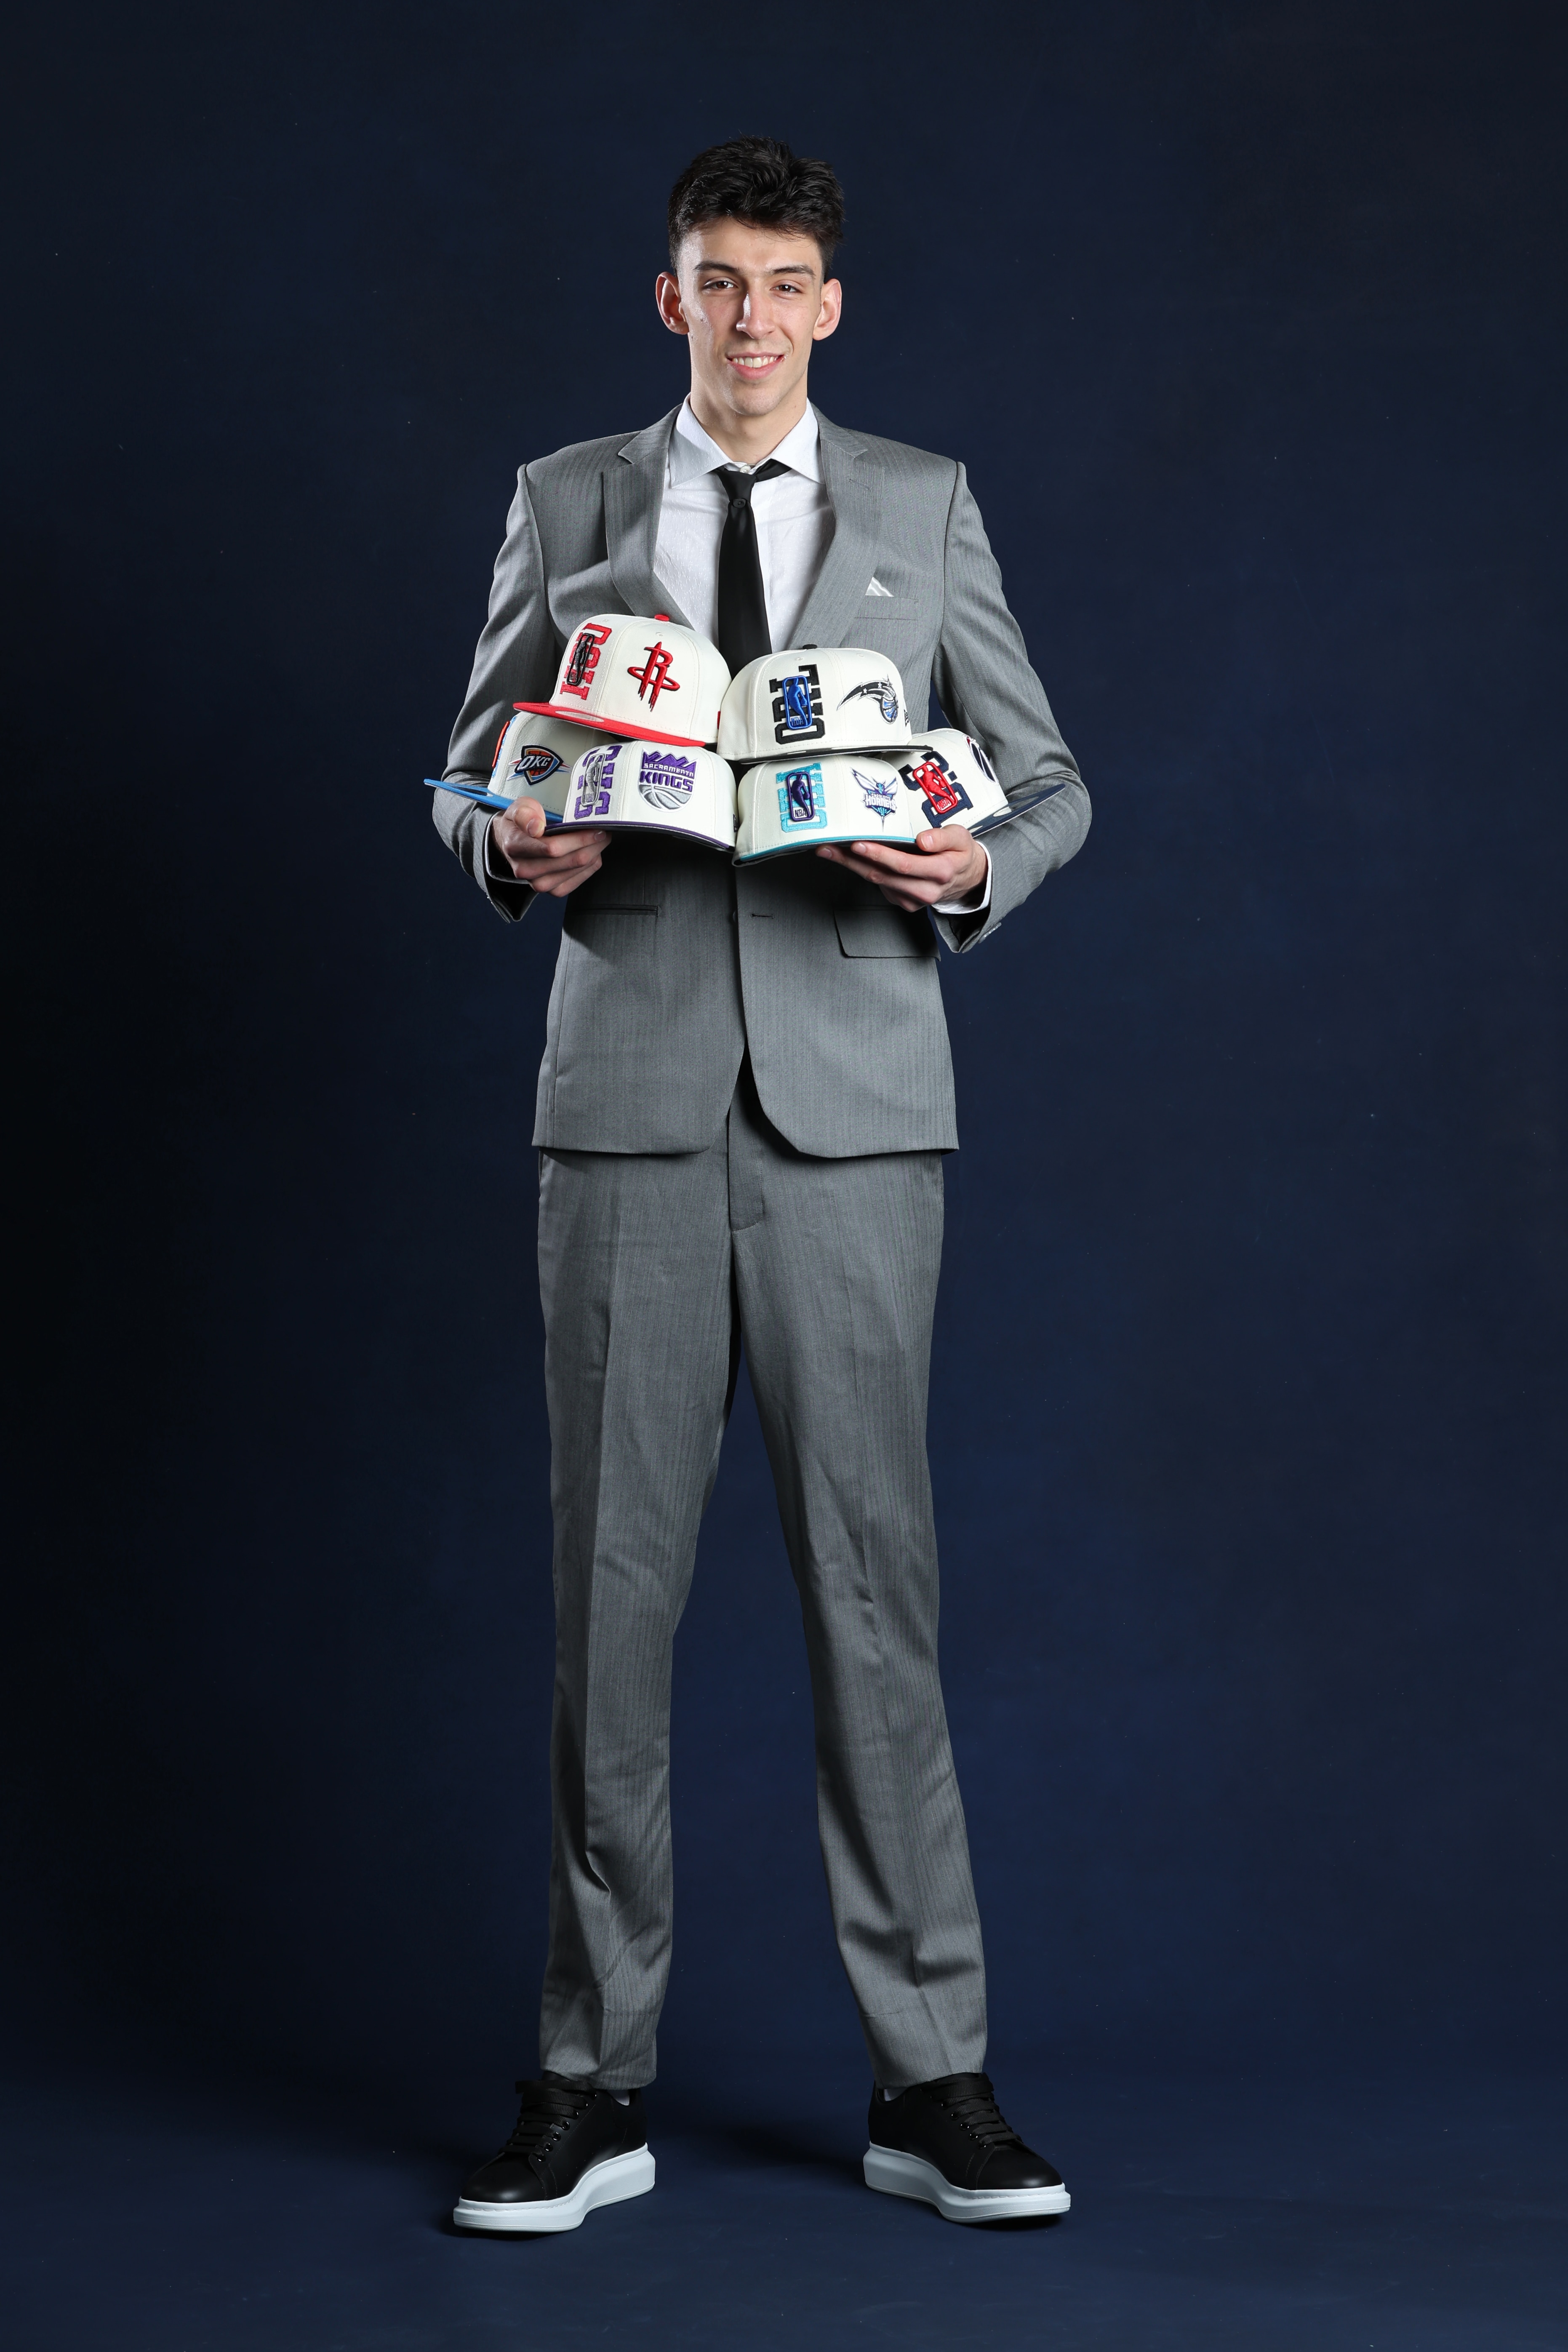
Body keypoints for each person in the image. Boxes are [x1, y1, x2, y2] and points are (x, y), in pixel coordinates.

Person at [431, 136, 1090, 2235]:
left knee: (874, 1597)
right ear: (669, 301)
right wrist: (503, 845)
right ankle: (584, 2083)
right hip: (621, 1099)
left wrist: (979, 864)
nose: (749, 318)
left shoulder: (921, 505)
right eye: (715, 279)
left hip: (857, 1110)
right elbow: (475, 763)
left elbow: (1049, 774)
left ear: (829, 305)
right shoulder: (566, 501)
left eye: (784, 281)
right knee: (608, 1613)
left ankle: (934, 2079)